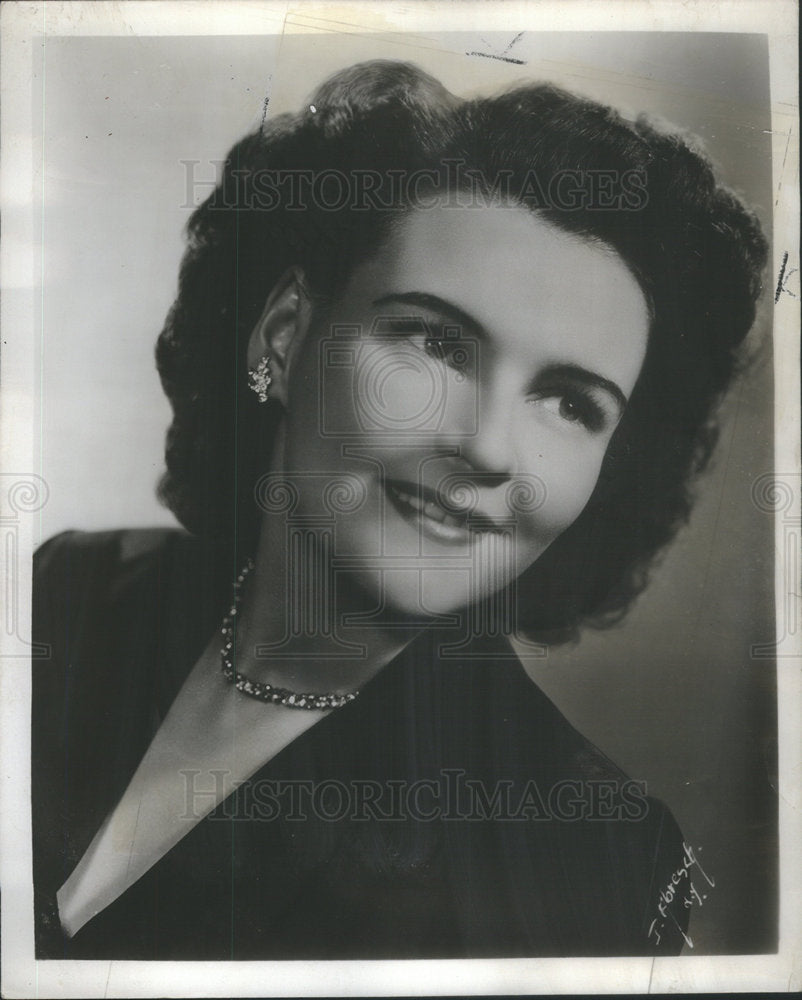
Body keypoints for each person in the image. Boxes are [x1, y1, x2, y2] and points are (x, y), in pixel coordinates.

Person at [31, 60, 767, 959]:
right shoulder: (62, 595)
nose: (489, 450)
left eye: (570, 403)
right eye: (436, 342)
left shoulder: (584, 855)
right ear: (286, 331)